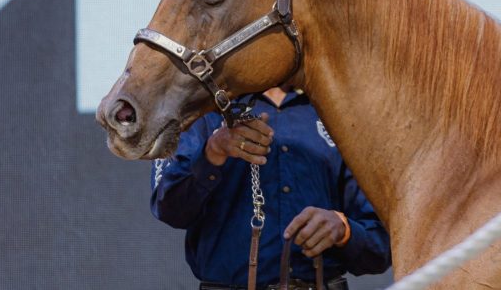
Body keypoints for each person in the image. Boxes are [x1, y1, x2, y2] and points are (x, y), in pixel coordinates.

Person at [150, 86, 391, 290]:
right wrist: (212, 152)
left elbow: (380, 248)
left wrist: (343, 229)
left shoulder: (339, 108)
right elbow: (169, 208)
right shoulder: (200, 109)